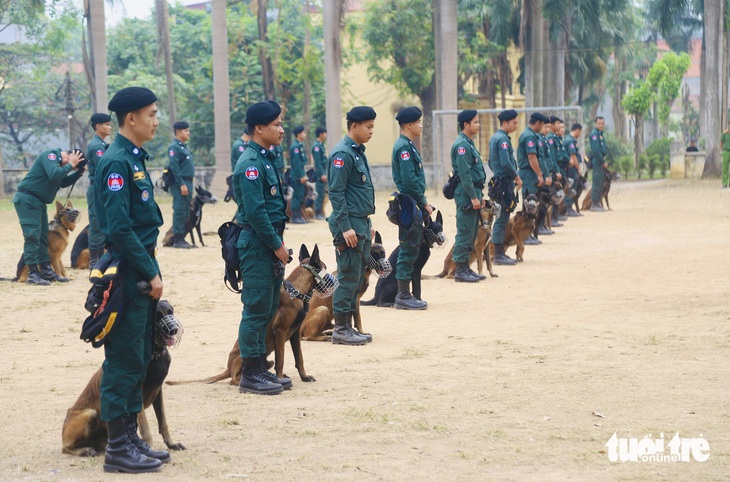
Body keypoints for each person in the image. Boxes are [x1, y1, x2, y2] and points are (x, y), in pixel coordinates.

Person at [95, 86, 168, 473]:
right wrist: (151, 271)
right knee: (122, 360)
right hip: (128, 273)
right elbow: (121, 229)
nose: (157, 121)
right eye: (152, 114)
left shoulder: (134, 160)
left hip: (140, 270)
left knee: (138, 356)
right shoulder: (116, 163)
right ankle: (117, 449)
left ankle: (131, 439)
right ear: (131, 119)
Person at [234, 100, 292, 394]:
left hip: (267, 246)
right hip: (258, 246)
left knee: (268, 307)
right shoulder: (251, 164)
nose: (282, 129)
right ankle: (250, 373)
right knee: (255, 310)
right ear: (259, 128)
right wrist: (277, 245)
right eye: (276, 124)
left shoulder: (265, 159)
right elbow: (256, 213)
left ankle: (260, 367)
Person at [328, 106, 378, 345]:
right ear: (354, 126)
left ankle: (349, 326)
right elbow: (336, 192)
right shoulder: (342, 154)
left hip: (360, 222)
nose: (371, 131)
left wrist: (367, 222)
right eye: (368, 127)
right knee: (348, 275)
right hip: (347, 225)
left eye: (372, 127)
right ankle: (340, 328)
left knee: (358, 277)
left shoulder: (357, 152)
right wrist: (346, 226)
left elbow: (359, 191)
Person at [13, 149, 85, 285]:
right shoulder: (50, 156)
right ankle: (33, 274)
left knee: (42, 238)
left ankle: (46, 271)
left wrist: (78, 172)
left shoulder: (58, 167)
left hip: (39, 202)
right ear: (69, 155)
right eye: (74, 161)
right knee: (32, 236)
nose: (73, 166)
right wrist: (70, 164)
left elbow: (62, 182)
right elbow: (54, 175)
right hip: (28, 199)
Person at [391, 106, 432, 309]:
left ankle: (407, 294)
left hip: (412, 201)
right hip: (409, 202)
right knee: (408, 249)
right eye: (418, 122)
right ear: (409, 125)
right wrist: (423, 201)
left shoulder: (407, 145)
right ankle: (403, 295)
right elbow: (409, 180)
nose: (421, 125)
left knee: (412, 248)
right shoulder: (404, 148)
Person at [450, 109, 487, 283]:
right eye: (476, 122)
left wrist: (479, 195)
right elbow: (465, 175)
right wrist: (473, 197)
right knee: (465, 231)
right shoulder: (462, 146)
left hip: (473, 193)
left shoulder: (468, 143)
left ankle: (465, 267)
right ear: (466, 124)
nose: (479, 125)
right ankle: (460, 270)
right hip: (466, 195)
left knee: (472, 232)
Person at [487, 109, 521, 266]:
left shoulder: (495, 138)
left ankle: (498, 252)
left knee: (500, 216)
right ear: (505, 123)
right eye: (514, 123)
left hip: (498, 182)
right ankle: (498, 253)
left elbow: (490, 162)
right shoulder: (503, 140)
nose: (516, 125)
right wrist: (516, 176)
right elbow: (506, 162)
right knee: (502, 217)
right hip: (504, 184)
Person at [517, 112, 550, 245]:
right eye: (542, 124)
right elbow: (532, 157)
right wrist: (539, 175)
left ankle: (529, 233)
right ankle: (525, 234)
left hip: (531, 174)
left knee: (532, 206)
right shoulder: (529, 136)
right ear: (537, 123)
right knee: (528, 205)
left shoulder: (532, 135)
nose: (542, 127)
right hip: (529, 174)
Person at [86, 113, 112, 269]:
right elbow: (104, 168)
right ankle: (94, 261)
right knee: (96, 224)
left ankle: (102, 258)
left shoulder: (102, 145)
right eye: (107, 124)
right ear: (98, 126)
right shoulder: (96, 146)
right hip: (97, 189)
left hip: (102, 189)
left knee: (104, 223)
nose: (110, 127)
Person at [167, 121, 196, 248]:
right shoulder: (174, 147)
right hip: (181, 182)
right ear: (178, 132)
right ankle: (177, 239)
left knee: (185, 210)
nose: (188, 133)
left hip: (188, 182)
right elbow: (174, 167)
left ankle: (181, 238)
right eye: (185, 131)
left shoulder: (184, 147)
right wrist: (181, 184)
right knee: (179, 210)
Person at [289, 125, 309, 224]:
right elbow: (296, 163)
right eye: (303, 133)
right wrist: (301, 176)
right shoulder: (295, 147)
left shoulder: (299, 146)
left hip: (300, 174)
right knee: (297, 196)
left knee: (300, 196)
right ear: (299, 134)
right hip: (297, 176)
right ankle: (295, 217)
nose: (305, 134)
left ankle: (299, 216)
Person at [563, 123, 583, 217]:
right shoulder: (570, 141)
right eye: (580, 132)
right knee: (571, 187)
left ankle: (569, 207)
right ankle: (568, 208)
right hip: (572, 169)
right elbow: (573, 156)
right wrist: (578, 168)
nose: (580, 134)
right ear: (577, 130)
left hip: (571, 168)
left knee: (572, 187)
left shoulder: (569, 140)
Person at [588, 116, 608, 211]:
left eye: (602, 123)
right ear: (596, 124)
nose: (601, 125)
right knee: (596, 183)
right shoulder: (594, 134)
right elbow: (596, 150)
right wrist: (602, 161)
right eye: (599, 123)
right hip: (597, 161)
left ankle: (598, 203)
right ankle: (594, 204)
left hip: (600, 161)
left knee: (600, 182)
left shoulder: (600, 134)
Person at [312, 126, 328, 220]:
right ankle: (317, 213)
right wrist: (322, 174)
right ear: (321, 134)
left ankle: (320, 212)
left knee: (322, 194)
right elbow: (317, 162)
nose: (326, 136)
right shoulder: (316, 147)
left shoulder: (321, 145)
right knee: (319, 193)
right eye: (325, 133)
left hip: (323, 172)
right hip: (319, 174)